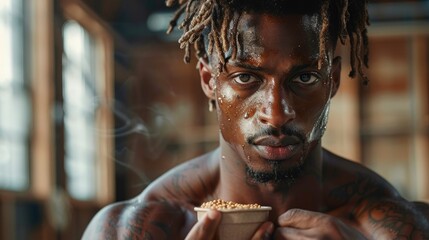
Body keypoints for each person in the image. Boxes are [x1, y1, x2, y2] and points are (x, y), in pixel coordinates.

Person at [83, 0, 429, 239]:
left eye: (305, 78)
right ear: (208, 80)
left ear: (333, 81)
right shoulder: (130, 230)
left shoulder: (397, 228)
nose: (277, 114)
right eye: (246, 78)